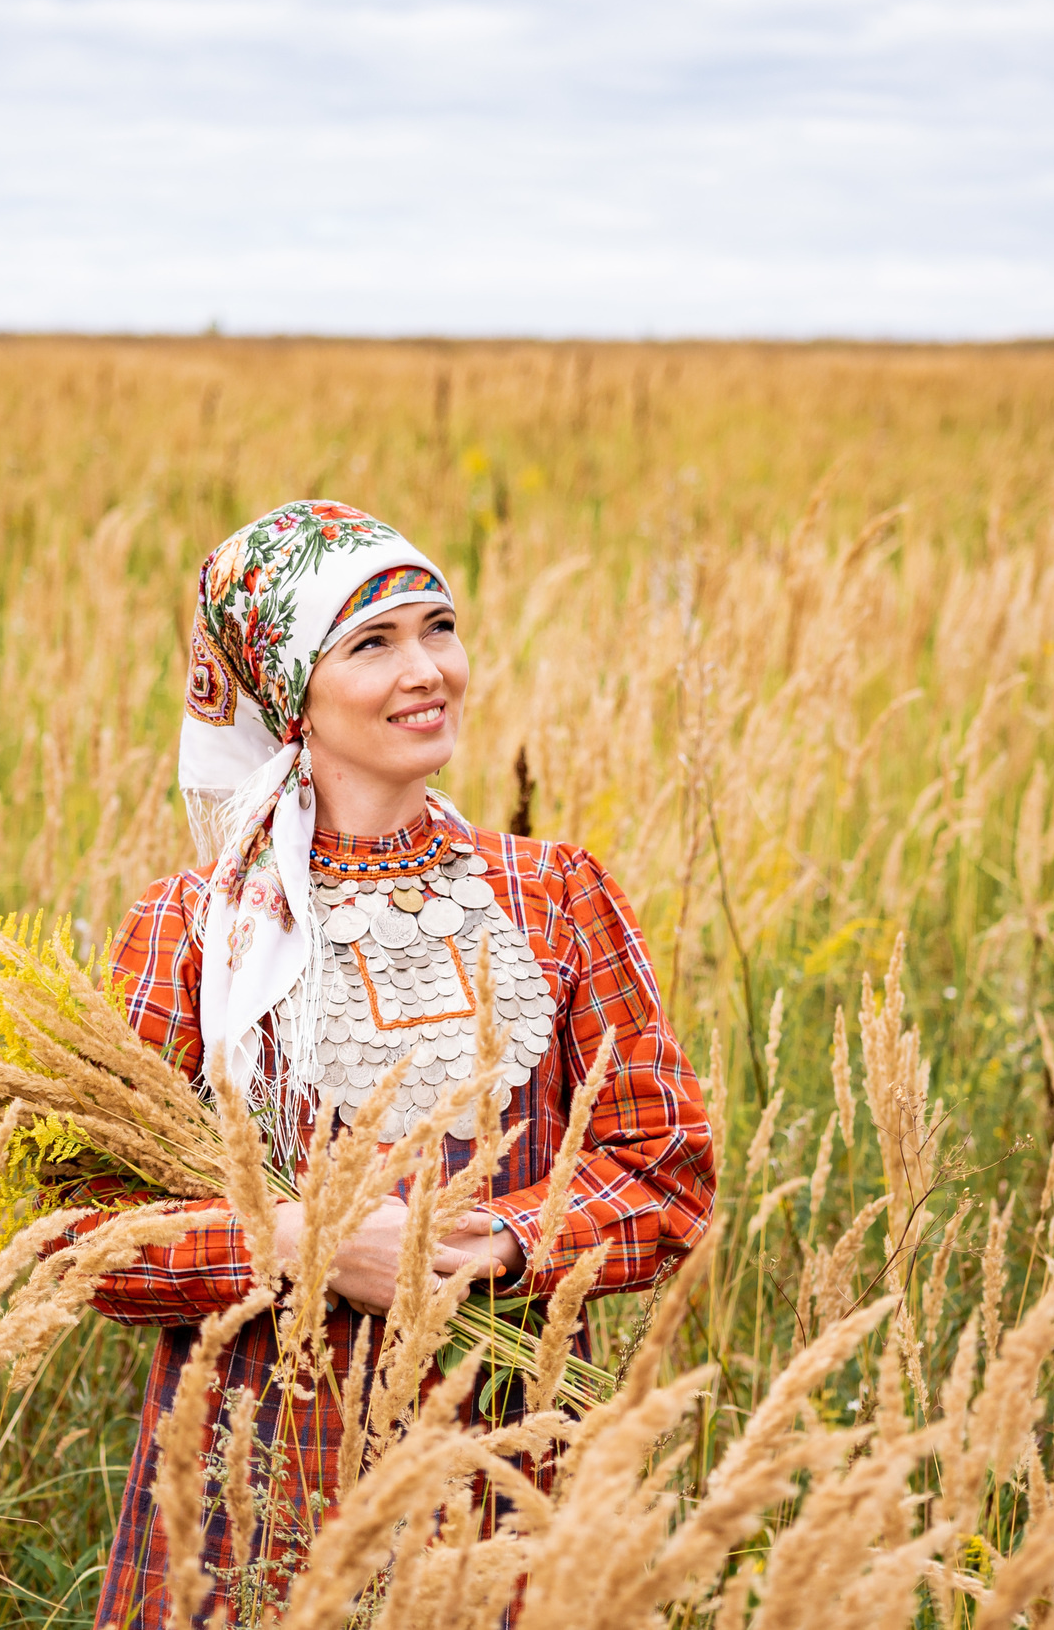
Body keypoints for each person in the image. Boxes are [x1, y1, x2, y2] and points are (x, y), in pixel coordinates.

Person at [58, 500, 715, 1628]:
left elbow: (668, 1171)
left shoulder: (554, 897)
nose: (427, 670)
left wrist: (505, 1242)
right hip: (251, 1489)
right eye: (371, 643)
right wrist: (298, 1244)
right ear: (286, 690)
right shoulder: (191, 930)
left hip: (506, 1465)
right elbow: (85, 1235)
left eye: (439, 626)